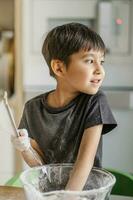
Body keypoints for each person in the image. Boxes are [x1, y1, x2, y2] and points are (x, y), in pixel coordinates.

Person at [11, 23, 117, 191]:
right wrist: (25, 149)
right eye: (90, 61)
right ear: (59, 67)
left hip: (84, 195)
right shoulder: (33, 109)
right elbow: (41, 166)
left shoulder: (95, 102)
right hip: (50, 194)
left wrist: (68, 197)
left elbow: (85, 161)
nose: (100, 70)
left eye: (101, 61)